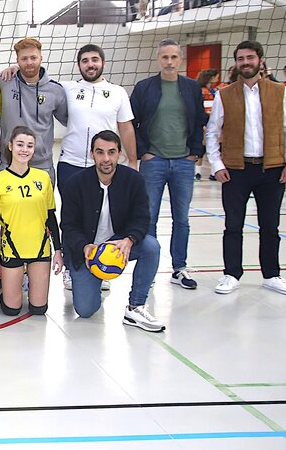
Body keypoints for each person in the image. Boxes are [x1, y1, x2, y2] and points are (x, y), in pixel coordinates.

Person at [206, 40, 286, 296]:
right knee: (233, 225)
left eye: (250, 58)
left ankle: (272, 274)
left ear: (260, 60)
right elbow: (212, 132)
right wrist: (217, 164)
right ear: (236, 63)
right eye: (241, 58)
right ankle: (231, 274)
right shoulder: (224, 94)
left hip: (272, 169)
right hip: (236, 170)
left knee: (270, 226)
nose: (245, 62)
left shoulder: (280, 92)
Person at [60, 131, 164, 332]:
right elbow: (68, 226)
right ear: (92, 154)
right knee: (85, 310)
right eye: (100, 152)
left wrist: (130, 239)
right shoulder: (75, 183)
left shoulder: (134, 180)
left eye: (111, 152)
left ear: (119, 154)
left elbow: (142, 218)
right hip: (87, 250)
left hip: (117, 243)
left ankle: (135, 307)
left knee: (151, 247)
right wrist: (84, 246)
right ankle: (93, 280)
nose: (106, 158)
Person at [57, 44, 137, 292]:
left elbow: (126, 127)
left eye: (94, 60)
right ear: (79, 65)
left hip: (104, 166)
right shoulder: (68, 89)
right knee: (71, 219)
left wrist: (132, 161)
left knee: (102, 216)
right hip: (71, 163)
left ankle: (102, 265)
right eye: (85, 60)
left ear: (102, 63)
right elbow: (38, 79)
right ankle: (71, 268)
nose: (90, 64)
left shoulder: (117, 92)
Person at [130, 40, 208, 290]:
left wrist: (195, 153)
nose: (170, 62)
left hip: (184, 162)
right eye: (165, 57)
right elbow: (132, 122)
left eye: (174, 57)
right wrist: (143, 152)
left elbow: (199, 122)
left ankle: (179, 267)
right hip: (154, 162)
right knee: (149, 217)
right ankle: (149, 267)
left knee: (181, 218)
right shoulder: (144, 88)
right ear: (158, 59)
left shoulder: (192, 88)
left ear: (180, 59)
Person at [0, 126, 62, 316]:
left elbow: (51, 216)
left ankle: (26, 280)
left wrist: (58, 251)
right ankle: (5, 284)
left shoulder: (43, 178)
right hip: (12, 248)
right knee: (11, 310)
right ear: (10, 146)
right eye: (20, 144)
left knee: (39, 309)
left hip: (39, 248)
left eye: (29, 146)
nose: (24, 150)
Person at [0, 37, 69, 183]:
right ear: (17, 61)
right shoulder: (4, 80)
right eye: (24, 59)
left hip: (41, 166)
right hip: (9, 164)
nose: (29, 62)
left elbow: (70, 121)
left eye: (33, 58)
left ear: (41, 58)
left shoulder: (55, 90)